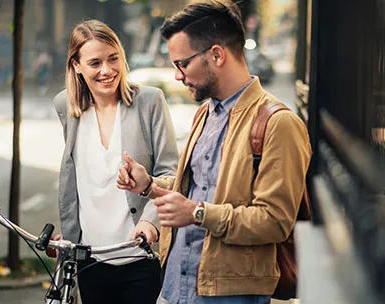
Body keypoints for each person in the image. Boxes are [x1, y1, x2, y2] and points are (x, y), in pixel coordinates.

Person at [117, 1, 312, 303]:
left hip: (229, 295)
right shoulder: (205, 114)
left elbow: (275, 221)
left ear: (217, 55)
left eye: (182, 64)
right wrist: (149, 185)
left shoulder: (278, 123)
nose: (178, 76)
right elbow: (198, 190)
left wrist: (197, 214)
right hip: (175, 285)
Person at [53, 19, 179, 304]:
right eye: (95, 63)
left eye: (113, 59)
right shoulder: (66, 107)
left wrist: (151, 223)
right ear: (76, 65)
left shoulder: (149, 102)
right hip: (89, 259)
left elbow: (171, 171)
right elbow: (78, 180)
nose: (107, 70)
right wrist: (70, 234)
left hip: (140, 255)